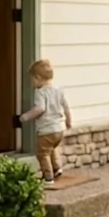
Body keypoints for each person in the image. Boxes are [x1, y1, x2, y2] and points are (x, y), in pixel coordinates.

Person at [18, 58, 72, 186]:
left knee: (43, 153)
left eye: (32, 79)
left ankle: (48, 176)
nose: (32, 83)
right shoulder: (58, 90)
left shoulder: (40, 92)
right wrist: (69, 122)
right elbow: (66, 107)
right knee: (52, 149)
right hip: (59, 129)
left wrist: (25, 117)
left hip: (46, 130)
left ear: (38, 78)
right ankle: (57, 169)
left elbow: (40, 109)